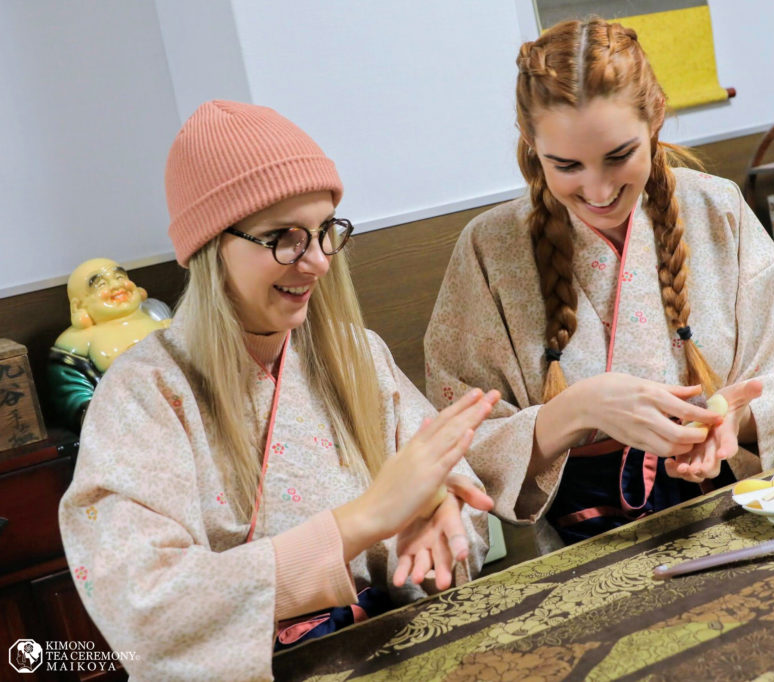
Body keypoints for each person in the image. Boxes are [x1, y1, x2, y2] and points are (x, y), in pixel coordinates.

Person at [59, 100, 499, 680]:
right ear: (211, 246)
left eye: (324, 232)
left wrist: (432, 525)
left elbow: (451, 485)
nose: (316, 260)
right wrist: (361, 521)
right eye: (283, 238)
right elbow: (143, 603)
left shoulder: (358, 353)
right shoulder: (143, 393)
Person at [425, 18, 774, 547]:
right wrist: (576, 410)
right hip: (584, 543)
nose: (599, 188)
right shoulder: (489, 248)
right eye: (566, 165)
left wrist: (730, 421)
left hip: (732, 506)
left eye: (620, 156)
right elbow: (458, 440)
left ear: (656, 116)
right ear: (530, 142)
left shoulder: (715, 208)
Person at [49, 257, 171, 429]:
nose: (116, 286)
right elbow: (74, 400)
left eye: (120, 277)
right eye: (101, 284)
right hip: (127, 426)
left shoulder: (158, 314)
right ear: (78, 306)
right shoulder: (75, 345)